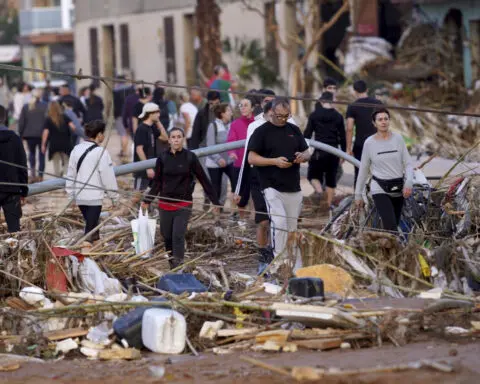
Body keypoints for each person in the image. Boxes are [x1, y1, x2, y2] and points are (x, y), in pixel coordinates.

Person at [142, 128, 220, 269]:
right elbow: (157, 182)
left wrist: (215, 201)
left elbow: (203, 179)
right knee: (167, 236)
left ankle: (179, 266)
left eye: (179, 137)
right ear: (169, 140)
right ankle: (172, 263)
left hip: (183, 204)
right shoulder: (163, 157)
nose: (176, 139)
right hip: (165, 203)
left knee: (178, 235)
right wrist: (147, 200)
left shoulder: (190, 157)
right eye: (173, 137)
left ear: (183, 139)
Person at [234, 90, 295, 273]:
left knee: (283, 222)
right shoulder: (255, 126)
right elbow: (247, 157)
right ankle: (263, 257)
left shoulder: (290, 124)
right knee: (263, 221)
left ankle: (281, 256)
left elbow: (305, 147)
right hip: (259, 179)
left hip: (283, 179)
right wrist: (240, 191)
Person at [248, 98, 310, 273]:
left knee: (292, 228)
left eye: (285, 116)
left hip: (293, 185)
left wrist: (303, 156)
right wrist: (274, 161)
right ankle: (277, 261)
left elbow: (306, 151)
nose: (282, 119)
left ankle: (293, 263)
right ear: (271, 113)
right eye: (278, 116)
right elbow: (251, 158)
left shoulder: (294, 129)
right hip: (271, 185)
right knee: (279, 221)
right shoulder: (261, 131)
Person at [355, 108, 413, 232]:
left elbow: (408, 163)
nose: (383, 122)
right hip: (379, 187)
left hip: (398, 186)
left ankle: (389, 249)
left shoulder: (398, 139)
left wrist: (409, 182)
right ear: (374, 123)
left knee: (394, 225)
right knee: (390, 225)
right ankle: (395, 249)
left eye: (386, 119)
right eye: (380, 119)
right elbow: (364, 169)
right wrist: (358, 194)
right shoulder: (369, 143)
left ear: (389, 121)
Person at [66, 120, 118, 244]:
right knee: (89, 231)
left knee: (93, 228)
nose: (104, 136)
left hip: (80, 198)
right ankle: (85, 256)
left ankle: (95, 255)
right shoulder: (101, 152)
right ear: (99, 134)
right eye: (103, 133)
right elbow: (108, 177)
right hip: (94, 198)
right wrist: (114, 197)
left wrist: (71, 196)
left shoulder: (76, 149)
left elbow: (70, 175)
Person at [304, 92, 346, 209]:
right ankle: (327, 205)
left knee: (312, 174)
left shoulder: (314, 115)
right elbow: (342, 136)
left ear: (322, 101)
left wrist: (303, 148)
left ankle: (319, 191)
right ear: (332, 101)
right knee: (331, 179)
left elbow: (307, 134)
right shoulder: (338, 116)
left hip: (319, 151)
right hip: (334, 152)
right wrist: (343, 153)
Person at [346, 80, 383, 186]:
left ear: (354, 91)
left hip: (360, 145)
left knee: (359, 173)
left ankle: (359, 200)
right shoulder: (378, 104)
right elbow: (384, 123)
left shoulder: (352, 106)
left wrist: (348, 148)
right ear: (367, 89)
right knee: (379, 172)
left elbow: (349, 128)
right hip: (378, 143)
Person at [0, 105, 28, 233]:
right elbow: (22, 165)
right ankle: (14, 252)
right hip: (12, 189)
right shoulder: (14, 138)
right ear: (5, 118)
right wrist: (23, 190)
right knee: (14, 231)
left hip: (11, 188)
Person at [227, 96, 255, 218]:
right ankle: (242, 220)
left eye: (246, 105)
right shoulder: (235, 124)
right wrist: (232, 152)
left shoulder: (257, 123)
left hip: (255, 163)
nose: (243, 107)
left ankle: (255, 219)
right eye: (241, 105)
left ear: (252, 108)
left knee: (256, 193)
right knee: (240, 195)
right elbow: (231, 140)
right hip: (240, 164)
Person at [205, 103, 236, 206]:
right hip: (214, 163)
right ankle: (216, 218)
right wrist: (218, 159)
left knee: (236, 184)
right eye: (228, 110)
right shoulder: (213, 126)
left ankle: (234, 212)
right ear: (222, 114)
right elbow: (210, 147)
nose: (231, 112)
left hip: (229, 161)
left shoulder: (232, 125)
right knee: (216, 190)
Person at [133, 102, 168, 191]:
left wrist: (158, 122)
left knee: (151, 195)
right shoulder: (141, 129)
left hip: (152, 166)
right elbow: (139, 149)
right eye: (157, 112)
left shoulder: (151, 127)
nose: (159, 114)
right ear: (150, 113)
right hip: (142, 169)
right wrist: (147, 167)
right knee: (138, 194)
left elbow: (165, 138)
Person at [18, 89, 48, 182]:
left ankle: (32, 174)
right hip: (42, 134)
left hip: (29, 135)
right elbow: (47, 121)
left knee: (31, 154)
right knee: (42, 155)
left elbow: (21, 122)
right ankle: (41, 175)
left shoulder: (26, 106)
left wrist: (21, 134)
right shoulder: (45, 106)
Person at [41, 101, 76, 177]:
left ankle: (57, 179)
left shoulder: (48, 119)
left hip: (54, 143)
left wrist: (43, 145)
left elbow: (45, 133)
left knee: (56, 162)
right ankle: (65, 175)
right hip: (65, 142)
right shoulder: (64, 116)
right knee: (67, 160)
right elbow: (73, 127)